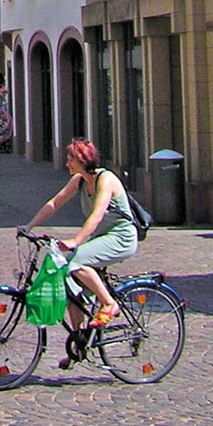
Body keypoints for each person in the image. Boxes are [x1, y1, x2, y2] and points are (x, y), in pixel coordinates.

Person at [23, 137, 137, 327]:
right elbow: (54, 203)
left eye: (70, 159)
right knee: (67, 281)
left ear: (82, 159)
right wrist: (29, 226)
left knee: (76, 262)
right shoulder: (79, 180)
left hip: (121, 237)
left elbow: (97, 215)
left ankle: (109, 303)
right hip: (102, 238)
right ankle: (79, 343)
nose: (67, 163)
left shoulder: (105, 179)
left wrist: (76, 240)